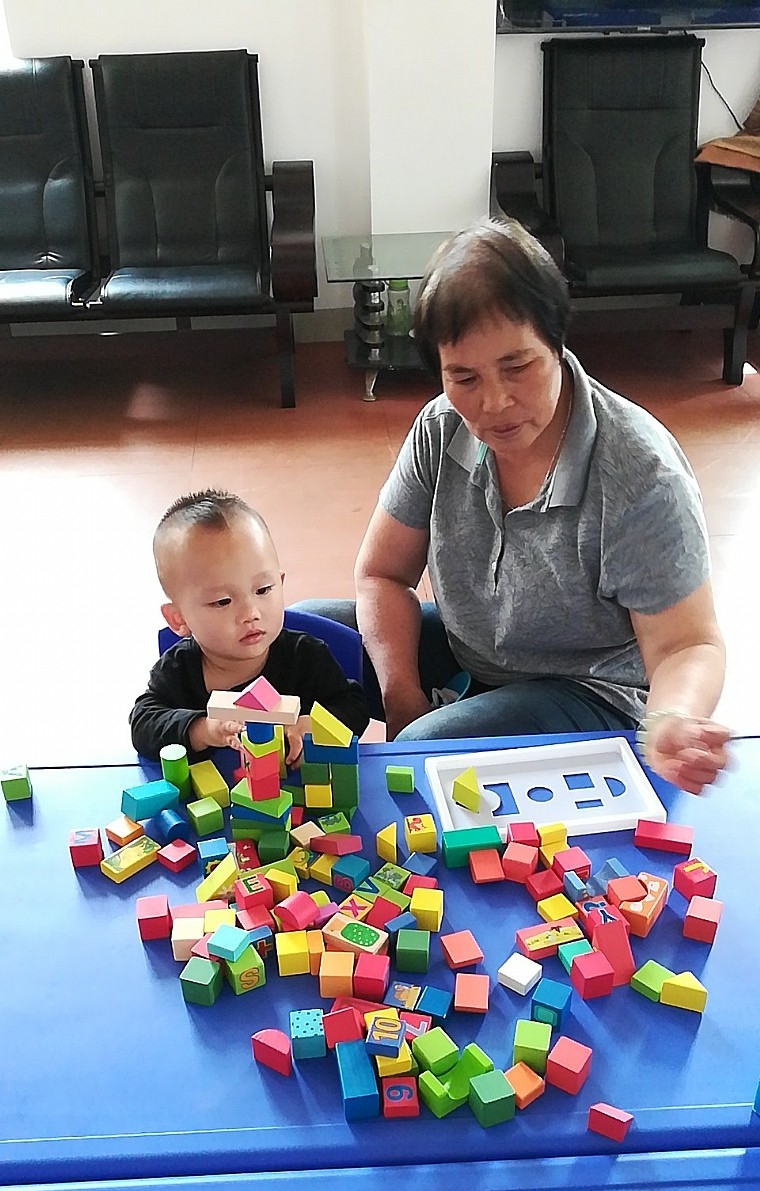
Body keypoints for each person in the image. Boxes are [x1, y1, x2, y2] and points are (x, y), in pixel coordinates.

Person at [295, 218, 730, 796]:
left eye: (517, 367)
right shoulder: (441, 429)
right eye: (464, 377)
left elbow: (687, 643)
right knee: (295, 638)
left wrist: (673, 717)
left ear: (557, 340)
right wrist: (401, 695)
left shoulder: (640, 473)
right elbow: (383, 573)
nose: (494, 402)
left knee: (423, 752)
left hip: (586, 691)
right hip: (471, 654)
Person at [130, 490, 369, 763]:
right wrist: (203, 729)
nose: (250, 613)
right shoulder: (178, 670)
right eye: (222, 601)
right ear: (179, 618)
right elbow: (143, 724)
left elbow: (354, 707)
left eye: (263, 589)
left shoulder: (306, 657)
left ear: (280, 582)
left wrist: (311, 725)